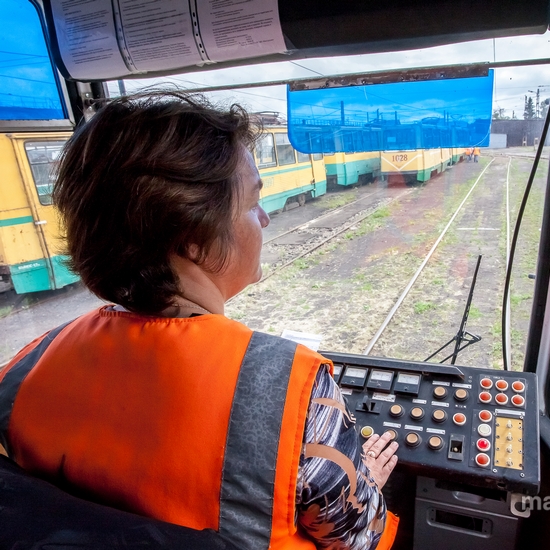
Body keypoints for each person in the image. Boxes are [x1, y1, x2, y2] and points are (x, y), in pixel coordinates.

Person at [0, 92, 399, 550]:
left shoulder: (25, 368)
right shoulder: (299, 391)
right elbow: (357, 536)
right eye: (252, 203)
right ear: (193, 236)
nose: (265, 219)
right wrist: (361, 474)